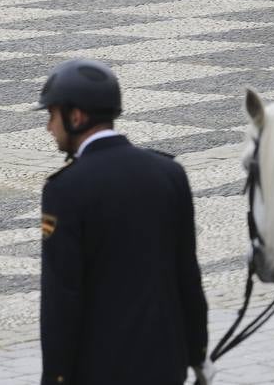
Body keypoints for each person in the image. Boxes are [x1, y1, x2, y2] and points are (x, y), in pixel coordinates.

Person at [35, 58, 210, 385]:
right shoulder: (169, 173)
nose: (49, 127)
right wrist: (198, 352)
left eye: (51, 114)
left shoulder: (65, 189)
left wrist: (56, 378)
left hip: (99, 369)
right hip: (165, 364)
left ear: (76, 116)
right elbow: (187, 275)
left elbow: (62, 298)